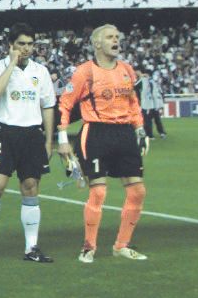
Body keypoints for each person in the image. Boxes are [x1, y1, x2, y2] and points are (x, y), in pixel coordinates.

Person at [57, 24, 149, 263]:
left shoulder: (127, 69)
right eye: (110, 37)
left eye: (117, 37)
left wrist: (139, 128)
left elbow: (133, 103)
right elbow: (65, 104)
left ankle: (122, 245)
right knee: (98, 191)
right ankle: (89, 246)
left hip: (125, 133)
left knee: (137, 191)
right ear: (97, 43)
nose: (116, 40)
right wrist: (63, 139)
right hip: (96, 133)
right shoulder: (84, 73)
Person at [0, 23, 59, 264]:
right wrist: (11, 63)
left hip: (32, 134)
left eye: (30, 44)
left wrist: (49, 141)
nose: (26, 49)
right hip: (5, 131)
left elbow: (48, 106)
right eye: (21, 44)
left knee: (31, 187)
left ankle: (31, 247)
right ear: (11, 45)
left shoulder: (40, 71)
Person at [138, 72, 167, 139]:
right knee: (154, 120)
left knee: (150, 120)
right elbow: (161, 93)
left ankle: (152, 134)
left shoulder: (147, 82)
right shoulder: (152, 82)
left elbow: (160, 93)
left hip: (150, 105)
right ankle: (158, 133)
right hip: (152, 104)